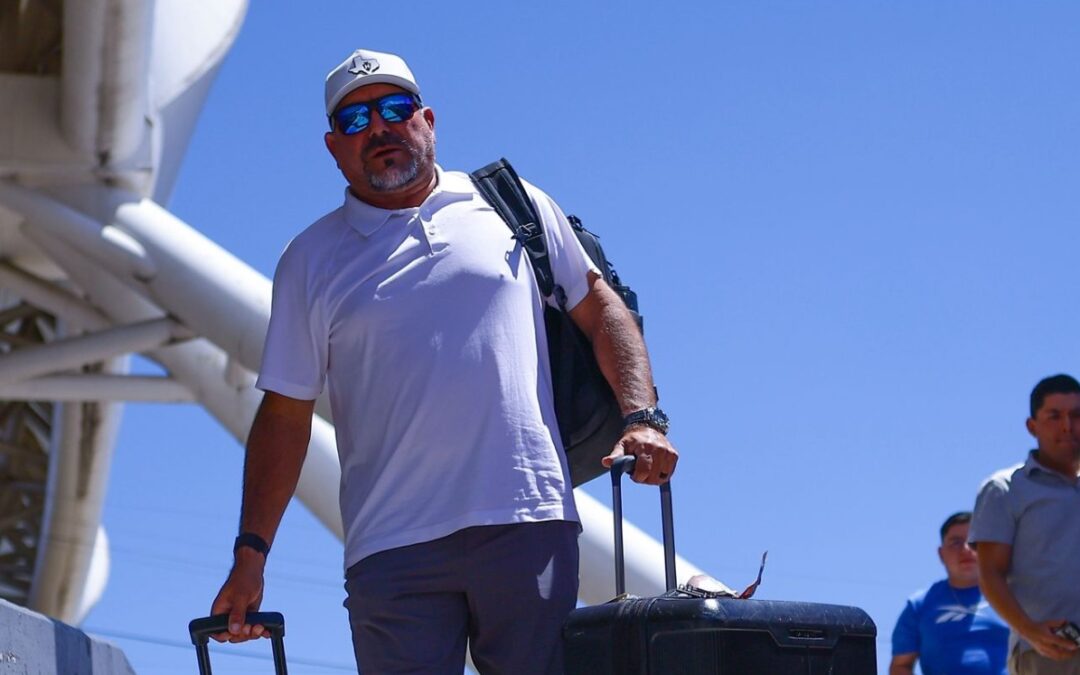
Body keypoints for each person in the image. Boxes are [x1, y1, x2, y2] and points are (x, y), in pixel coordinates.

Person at [208, 48, 678, 674]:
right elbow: (286, 413)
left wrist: (644, 416)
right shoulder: (310, 260)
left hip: (527, 519)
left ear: (427, 120)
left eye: (394, 109)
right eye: (355, 121)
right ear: (333, 147)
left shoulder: (512, 205)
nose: (378, 128)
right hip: (391, 546)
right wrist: (250, 555)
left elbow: (599, 305)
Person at [969, 374, 1080, 674]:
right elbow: (990, 573)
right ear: (1032, 426)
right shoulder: (1006, 489)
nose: (1068, 425)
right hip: (1050, 655)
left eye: (1076, 415)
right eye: (1054, 416)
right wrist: (1031, 632)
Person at [889, 511, 1008, 675]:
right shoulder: (919, 605)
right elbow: (900, 665)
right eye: (955, 542)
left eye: (973, 542)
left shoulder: (1013, 596)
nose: (965, 549)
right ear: (941, 554)